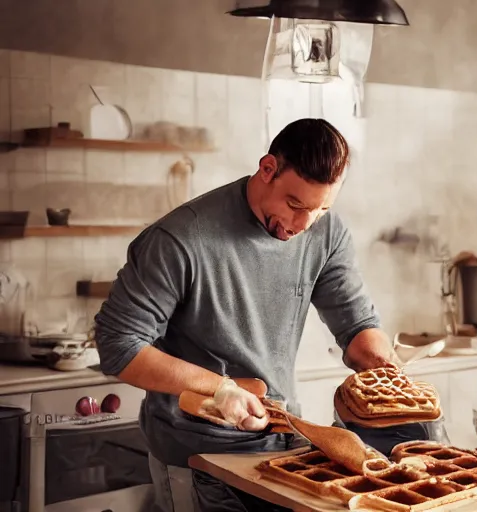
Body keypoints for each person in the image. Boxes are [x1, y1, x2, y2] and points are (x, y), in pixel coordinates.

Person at [93, 118, 446, 512]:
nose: (302, 225)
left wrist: (386, 369)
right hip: (197, 458)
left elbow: (356, 324)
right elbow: (118, 346)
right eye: (295, 205)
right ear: (267, 169)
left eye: (320, 209)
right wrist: (220, 389)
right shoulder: (180, 240)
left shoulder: (324, 232)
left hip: (283, 449)